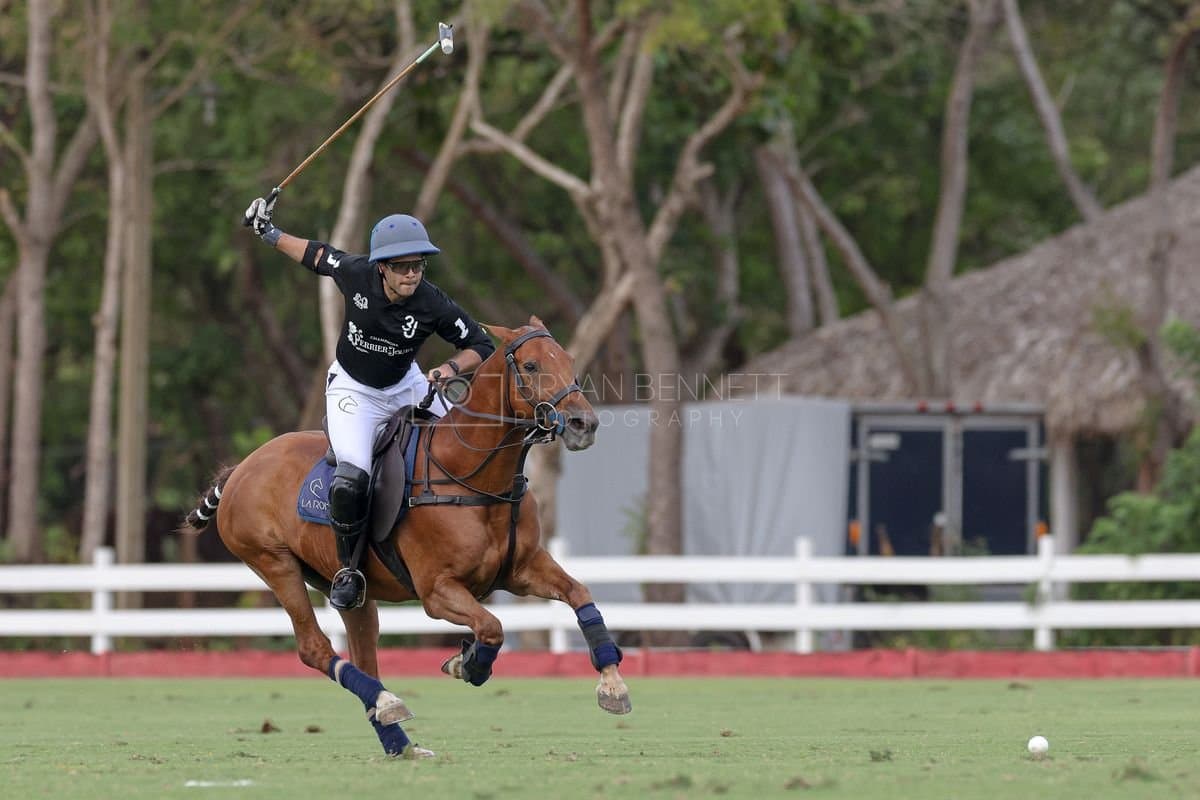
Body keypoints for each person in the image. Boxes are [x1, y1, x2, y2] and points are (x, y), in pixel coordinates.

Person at [243, 195, 495, 610]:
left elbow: (481, 345)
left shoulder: (432, 302)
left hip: (407, 384)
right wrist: (269, 233)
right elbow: (316, 255)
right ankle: (348, 570)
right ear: (382, 267)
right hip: (354, 390)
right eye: (402, 266)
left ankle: (483, 542)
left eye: (418, 265)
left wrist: (448, 369)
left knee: (466, 448)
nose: (411, 274)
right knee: (352, 476)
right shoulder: (357, 273)